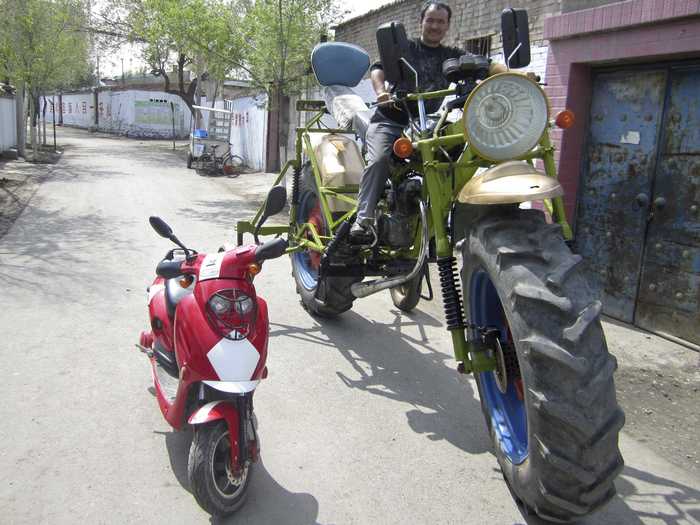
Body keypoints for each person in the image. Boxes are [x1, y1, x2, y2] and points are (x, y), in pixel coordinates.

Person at [349, 1, 504, 243]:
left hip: (426, 123)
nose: (435, 26)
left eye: (440, 21)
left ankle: (436, 218)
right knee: (379, 159)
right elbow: (377, 69)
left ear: (447, 26)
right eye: (430, 20)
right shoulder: (404, 49)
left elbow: (487, 65)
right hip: (392, 120)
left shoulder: (451, 56)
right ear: (421, 22)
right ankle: (364, 218)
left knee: (453, 158)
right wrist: (381, 92)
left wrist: (515, 75)